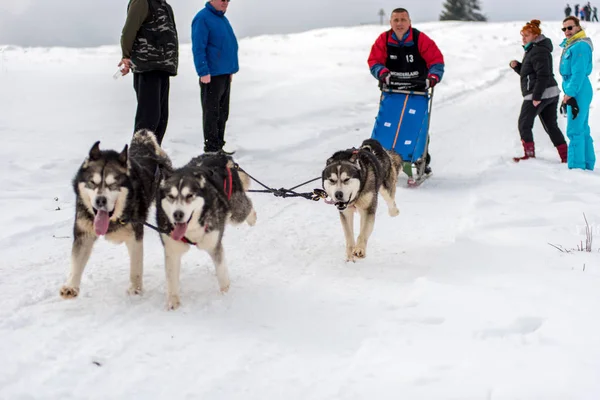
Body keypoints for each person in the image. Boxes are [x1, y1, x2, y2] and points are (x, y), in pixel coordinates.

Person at [367, 8, 444, 174]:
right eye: (396, 20)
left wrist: (433, 77)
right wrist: (381, 72)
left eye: (403, 20)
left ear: (409, 22)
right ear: (391, 23)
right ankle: (380, 157)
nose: (399, 23)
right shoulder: (384, 39)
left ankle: (421, 158)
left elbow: (436, 61)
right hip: (392, 89)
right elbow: (374, 61)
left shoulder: (420, 39)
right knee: (386, 124)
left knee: (417, 126)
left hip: (417, 89)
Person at [119, 0, 179, 146]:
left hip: (163, 68)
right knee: (148, 120)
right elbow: (129, 31)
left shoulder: (165, 6)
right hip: (147, 67)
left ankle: (152, 160)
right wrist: (126, 56)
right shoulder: (142, 2)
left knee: (161, 119)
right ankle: (138, 161)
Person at [509, 20, 568, 162]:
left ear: (535, 36)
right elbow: (532, 74)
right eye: (522, 35)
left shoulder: (537, 51)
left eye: (527, 35)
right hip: (549, 92)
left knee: (524, 124)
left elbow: (543, 75)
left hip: (539, 93)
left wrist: (536, 96)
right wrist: (518, 67)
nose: (523, 38)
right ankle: (566, 157)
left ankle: (529, 156)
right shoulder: (535, 50)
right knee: (551, 126)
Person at [192, 0, 239, 153]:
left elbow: (228, 45)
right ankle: (211, 149)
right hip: (211, 76)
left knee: (222, 113)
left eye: (228, 0)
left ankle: (218, 145)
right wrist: (203, 71)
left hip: (224, 73)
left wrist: (231, 70)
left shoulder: (222, 19)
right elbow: (198, 46)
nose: (226, 3)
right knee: (211, 113)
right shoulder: (202, 18)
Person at [559, 16, 595, 170]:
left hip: (578, 90)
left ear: (578, 27)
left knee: (574, 130)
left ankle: (576, 168)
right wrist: (567, 93)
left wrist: (571, 93)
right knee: (581, 128)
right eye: (564, 28)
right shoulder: (572, 45)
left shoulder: (579, 46)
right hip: (576, 89)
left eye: (570, 27)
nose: (567, 31)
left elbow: (578, 73)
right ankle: (587, 165)